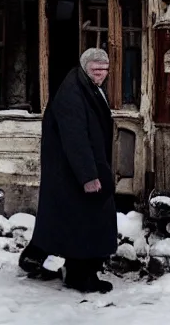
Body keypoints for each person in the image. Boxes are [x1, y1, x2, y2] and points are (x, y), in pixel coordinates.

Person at [19, 48, 117, 293]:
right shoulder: (73, 92)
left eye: (105, 70)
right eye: (97, 70)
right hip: (74, 171)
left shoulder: (86, 86)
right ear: (86, 68)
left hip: (79, 167)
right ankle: (79, 275)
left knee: (69, 220)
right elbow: (75, 137)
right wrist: (88, 176)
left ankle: (37, 255)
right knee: (83, 221)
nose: (101, 75)